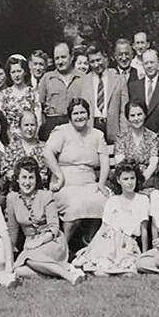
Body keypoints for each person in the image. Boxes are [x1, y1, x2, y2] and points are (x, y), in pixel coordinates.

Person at [43, 98, 110, 247]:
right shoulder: (61, 132)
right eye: (76, 113)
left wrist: (101, 183)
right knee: (75, 205)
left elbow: (105, 161)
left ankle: (90, 239)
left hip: (89, 183)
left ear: (88, 114)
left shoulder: (97, 135)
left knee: (105, 202)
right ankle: (63, 247)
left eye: (83, 112)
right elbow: (47, 153)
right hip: (65, 183)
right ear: (70, 116)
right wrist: (59, 176)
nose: (79, 116)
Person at [5, 158, 84, 284]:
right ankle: (64, 270)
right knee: (18, 270)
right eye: (24, 177)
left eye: (31, 177)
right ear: (17, 179)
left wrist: (38, 242)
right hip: (30, 243)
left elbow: (54, 228)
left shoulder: (46, 196)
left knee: (30, 259)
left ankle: (68, 276)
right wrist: (8, 258)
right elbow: (12, 231)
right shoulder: (12, 198)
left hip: (51, 240)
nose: (27, 182)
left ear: (36, 180)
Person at [73, 163, 148, 276]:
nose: (129, 182)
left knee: (128, 271)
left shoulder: (142, 200)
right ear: (118, 180)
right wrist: (90, 246)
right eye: (125, 179)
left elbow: (144, 229)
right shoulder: (113, 200)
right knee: (100, 270)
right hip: (108, 239)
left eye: (132, 178)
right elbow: (104, 227)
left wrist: (144, 254)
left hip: (127, 242)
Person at [127, 49, 159, 142]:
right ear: (142, 65)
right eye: (146, 63)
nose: (149, 66)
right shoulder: (134, 87)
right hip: (140, 139)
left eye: (152, 62)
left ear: (158, 64)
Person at [81, 46, 128, 143]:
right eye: (92, 62)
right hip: (91, 129)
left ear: (105, 58)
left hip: (113, 129)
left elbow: (124, 110)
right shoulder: (84, 81)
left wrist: (123, 134)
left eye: (98, 60)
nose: (96, 64)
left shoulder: (118, 79)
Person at [37, 42, 83, 141]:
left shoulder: (82, 78)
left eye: (63, 57)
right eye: (57, 58)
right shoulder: (47, 78)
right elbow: (40, 105)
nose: (60, 61)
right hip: (53, 126)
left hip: (76, 126)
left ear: (71, 57)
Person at [3, 110, 49, 190]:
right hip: (16, 192)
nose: (29, 128)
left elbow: (47, 173)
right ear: (20, 127)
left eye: (32, 125)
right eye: (26, 125)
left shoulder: (45, 148)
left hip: (39, 192)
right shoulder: (12, 148)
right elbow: (6, 171)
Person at [0, 55, 41, 141]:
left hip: (30, 138)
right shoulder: (4, 95)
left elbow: (38, 120)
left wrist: (31, 138)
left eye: (19, 71)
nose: (16, 75)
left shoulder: (33, 94)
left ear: (25, 72)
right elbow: (2, 121)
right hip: (10, 140)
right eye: (13, 72)